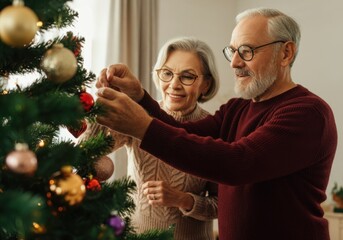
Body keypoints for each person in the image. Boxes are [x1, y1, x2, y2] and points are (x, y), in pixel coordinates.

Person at [95, 8, 338, 240]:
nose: (234, 62)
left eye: (246, 51)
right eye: (232, 51)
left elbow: (237, 163)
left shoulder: (308, 112)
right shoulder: (237, 108)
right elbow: (183, 131)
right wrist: (140, 96)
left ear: (286, 53)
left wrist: (143, 127)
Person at [80, 37, 219, 239]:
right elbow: (85, 154)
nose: (174, 84)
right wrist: (102, 100)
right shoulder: (137, 116)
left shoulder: (215, 130)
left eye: (187, 76)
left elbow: (221, 205)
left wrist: (182, 199)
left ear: (206, 84)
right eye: (167, 73)